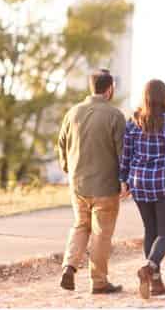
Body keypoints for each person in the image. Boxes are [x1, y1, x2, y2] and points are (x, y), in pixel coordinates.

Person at [119, 79, 165, 300]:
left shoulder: (133, 122)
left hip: (139, 182)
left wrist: (124, 180)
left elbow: (126, 155)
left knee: (150, 230)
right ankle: (149, 269)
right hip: (164, 182)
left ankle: (156, 284)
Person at [57, 68, 126, 294]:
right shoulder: (115, 116)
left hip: (78, 184)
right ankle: (99, 282)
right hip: (105, 187)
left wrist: (68, 169)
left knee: (80, 226)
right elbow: (123, 153)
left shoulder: (73, 113)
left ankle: (69, 266)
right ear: (109, 89)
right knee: (100, 234)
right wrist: (125, 181)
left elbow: (62, 144)